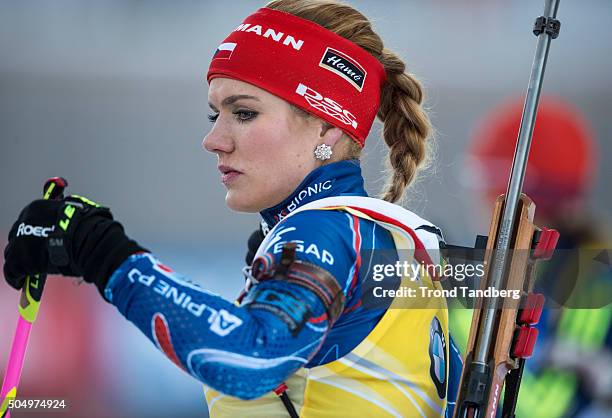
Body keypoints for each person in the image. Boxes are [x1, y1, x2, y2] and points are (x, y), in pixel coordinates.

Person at [3, 1, 462, 416]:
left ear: (326, 128)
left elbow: (251, 357)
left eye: (243, 113)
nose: (213, 140)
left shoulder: (328, 233)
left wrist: (103, 253)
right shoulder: (395, 240)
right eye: (214, 114)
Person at [451, 95, 612, 417]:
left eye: (488, 184)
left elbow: (545, 409)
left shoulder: (590, 279)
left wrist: (460, 310)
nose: (479, 201)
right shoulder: (528, 270)